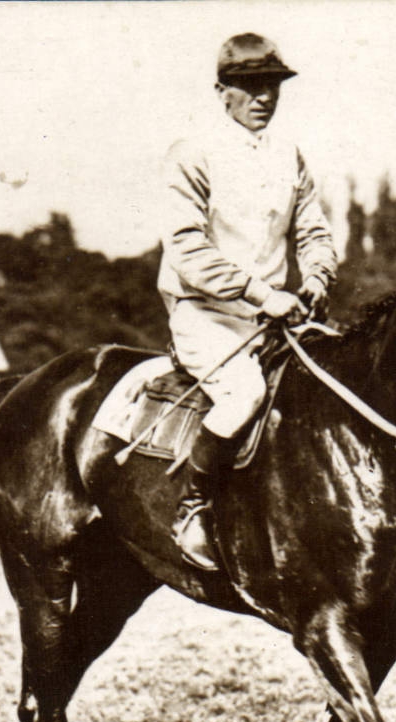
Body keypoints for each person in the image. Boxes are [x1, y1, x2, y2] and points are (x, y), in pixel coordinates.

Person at [157, 32, 338, 570]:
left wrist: (318, 278)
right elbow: (187, 248)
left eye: (273, 86)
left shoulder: (291, 156)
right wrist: (263, 294)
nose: (264, 97)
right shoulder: (191, 154)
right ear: (222, 91)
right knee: (244, 394)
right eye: (250, 86)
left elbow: (314, 231)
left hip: (278, 316)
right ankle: (192, 508)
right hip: (206, 313)